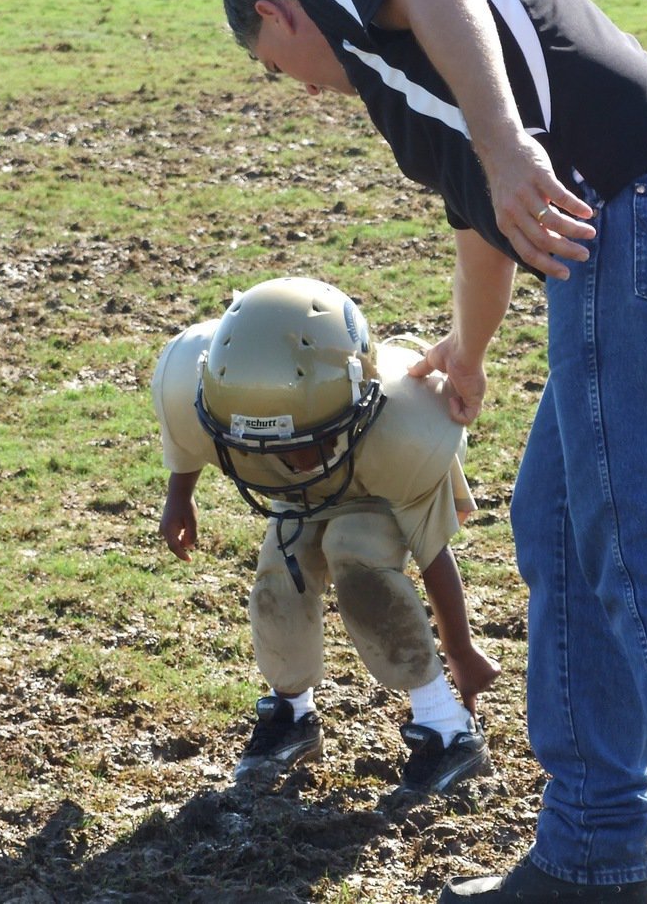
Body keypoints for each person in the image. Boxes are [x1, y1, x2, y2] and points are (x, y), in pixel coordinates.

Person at [220, 0, 647, 903]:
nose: (302, 87)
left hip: (640, 201)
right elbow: (478, 222)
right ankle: (591, 852)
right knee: (559, 521)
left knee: (637, 538)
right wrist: (471, 353)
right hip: (640, 210)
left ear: (275, 15)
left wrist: (504, 144)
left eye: (272, 67)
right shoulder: (408, 67)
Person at [151, 275, 500, 794]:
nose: (290, 462)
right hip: (311, 487)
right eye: (271, 447)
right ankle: (292, 713)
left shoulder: (408, 429)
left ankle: (447, 727)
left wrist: (461, 650)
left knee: (353, 551)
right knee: (278, 574)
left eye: (302, 445)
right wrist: (180, 494)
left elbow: (432, 555)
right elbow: (188, 433)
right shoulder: (201, 383)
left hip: (375, 483)